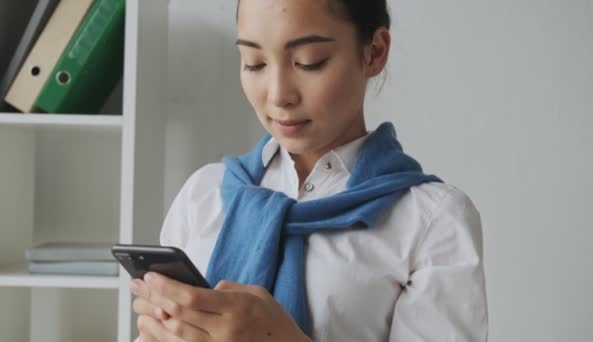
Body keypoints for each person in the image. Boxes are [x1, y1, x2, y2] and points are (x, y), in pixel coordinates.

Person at [129, 0, 488, 341]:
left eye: (308, 62)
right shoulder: (205, 194)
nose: (278, 95)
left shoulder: (430, 220)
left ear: (374, 52)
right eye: (254, 63)